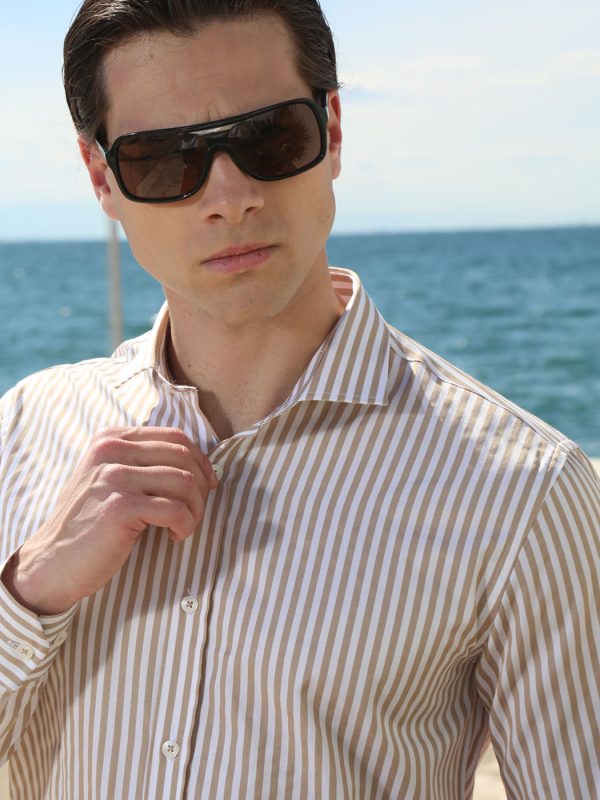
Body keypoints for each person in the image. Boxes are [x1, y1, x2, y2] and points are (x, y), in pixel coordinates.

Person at [0, 0, 598, 797]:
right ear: (102, 178)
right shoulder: (23, 429)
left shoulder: (526, 491)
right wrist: (27, 595)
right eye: (164, 160)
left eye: (270, 137)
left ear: (333, 131)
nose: (229, 195)